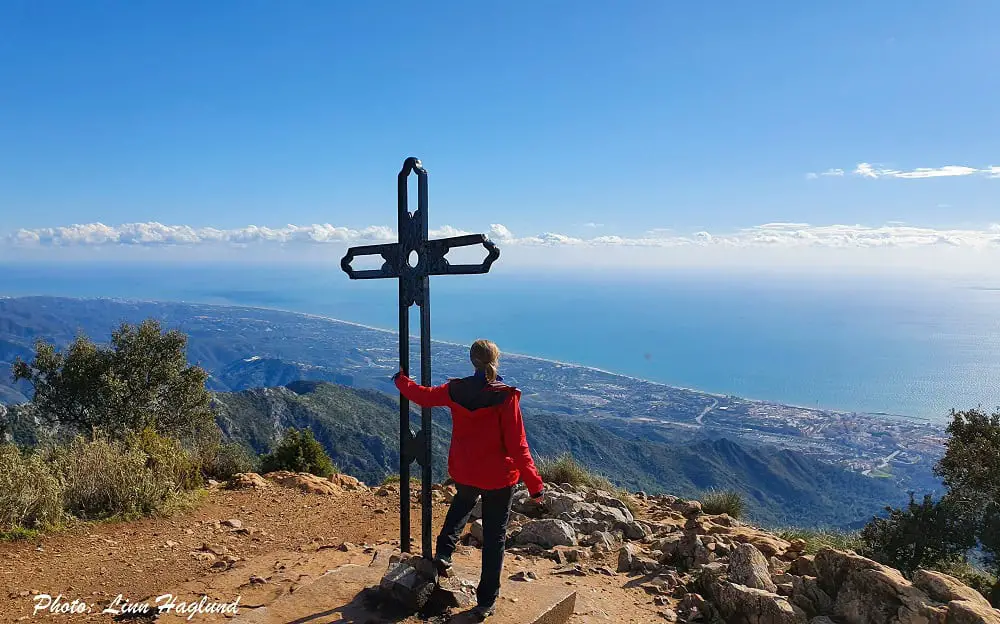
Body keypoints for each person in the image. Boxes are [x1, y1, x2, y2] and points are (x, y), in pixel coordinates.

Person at [392, 338, 544, 621]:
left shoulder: (456, 389)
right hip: (499, 477)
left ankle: (444, 554)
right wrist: (535, 486)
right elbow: (517, 445)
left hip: (465, 470)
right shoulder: (505, 396)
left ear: (471, 361)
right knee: (495, 538)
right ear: (496, 360)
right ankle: (485, 601)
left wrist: (401, 381)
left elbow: (423, 396)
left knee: (462, 503)